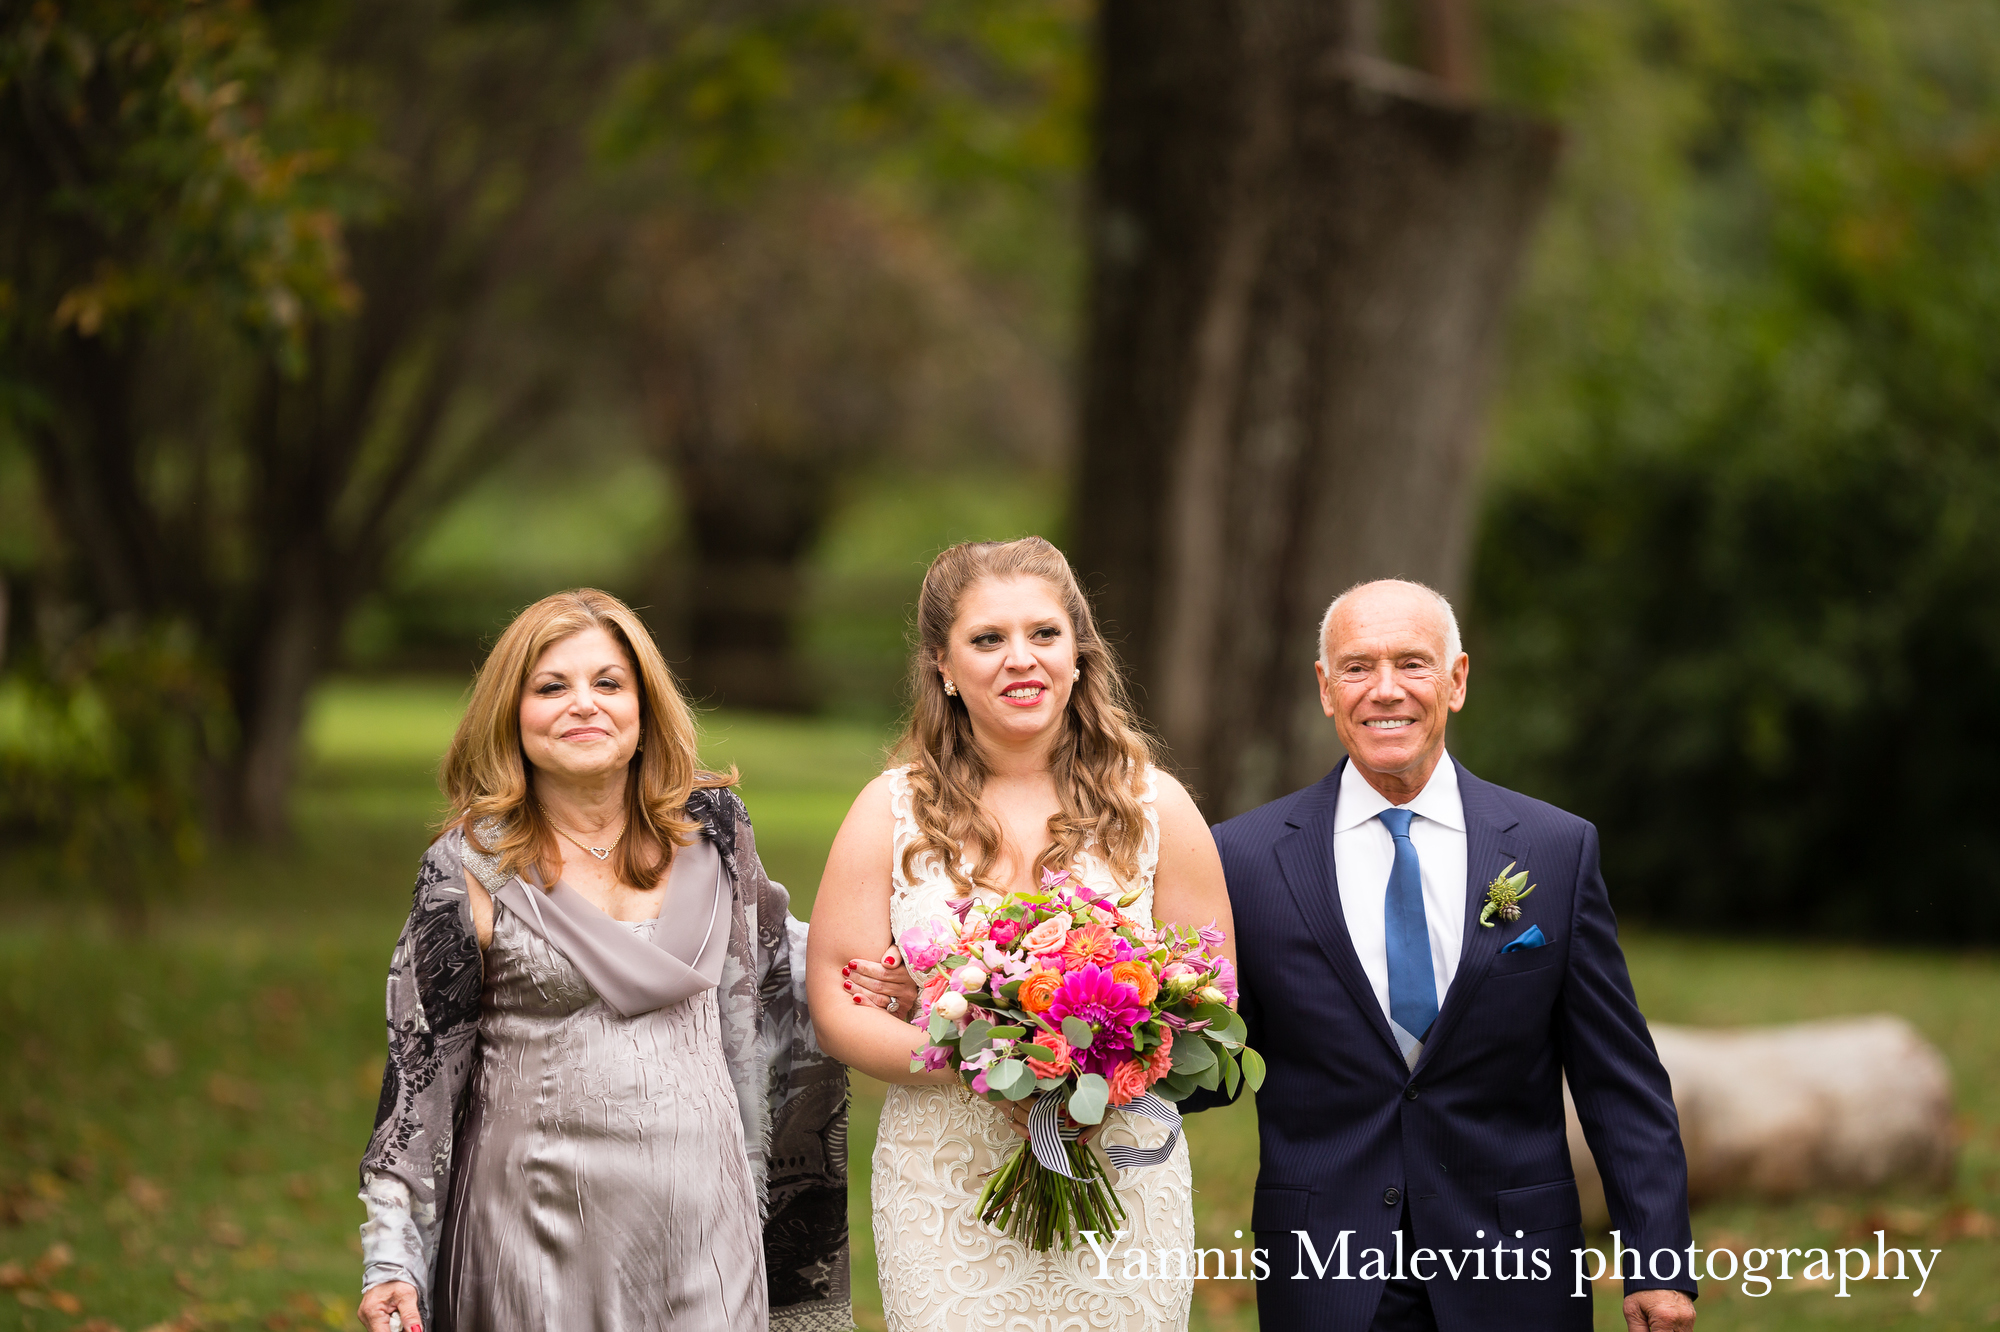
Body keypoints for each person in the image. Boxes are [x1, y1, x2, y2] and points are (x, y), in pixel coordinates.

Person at [1203, 578, 1697, 1332]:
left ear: (1457, 680)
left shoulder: (1555, 849)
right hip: (1327, 1271)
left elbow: (1617, 1075)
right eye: (1358, 667)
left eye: (1412, 663)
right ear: (1325, 689)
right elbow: (1210, 1062)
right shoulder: (1242, 859)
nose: (1385, 691)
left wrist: (1659, 1260)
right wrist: (1074, 1049)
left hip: (1517, 1266)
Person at [355, 589, 849, 1332]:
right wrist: (391, 1255)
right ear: (510, 715)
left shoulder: (717, 835)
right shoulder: (466, 870)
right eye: (551, 687)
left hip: (705, 1229)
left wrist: (895, 975)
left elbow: (784, 965)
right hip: (535, 1236)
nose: (582, 705)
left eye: (608, 684)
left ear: (645, 708)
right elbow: (418, 1076)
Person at [807, 537, 1237, 1332]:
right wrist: (983, 1065)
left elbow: (1211, 997)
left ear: (1079, 653)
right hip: (945, 1185)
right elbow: (837, 1003)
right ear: (943, 665)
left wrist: (1103, 1063)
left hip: (1120, 1176)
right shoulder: (888, 810)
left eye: (1044, 634)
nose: (1021, 660)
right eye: (987, 639)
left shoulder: (1157, 809)